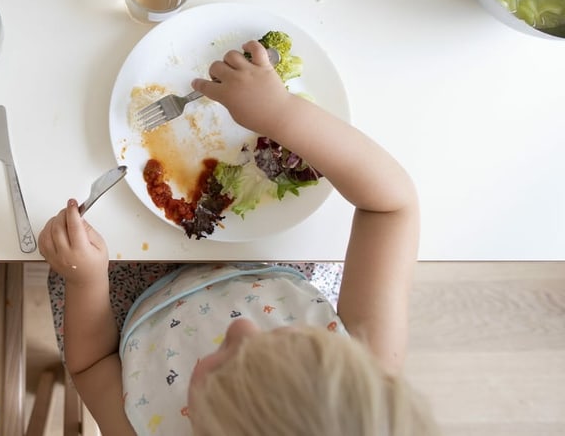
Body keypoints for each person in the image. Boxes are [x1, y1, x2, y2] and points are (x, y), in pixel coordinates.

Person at [38, 41, 439, 436]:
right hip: (265, 270)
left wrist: (86, 280)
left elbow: (92, 365)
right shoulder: (365, 370)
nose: (240, 329)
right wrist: (282, 114)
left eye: (221, 361)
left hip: (132, 305)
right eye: (280, 337)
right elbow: (393, 207)